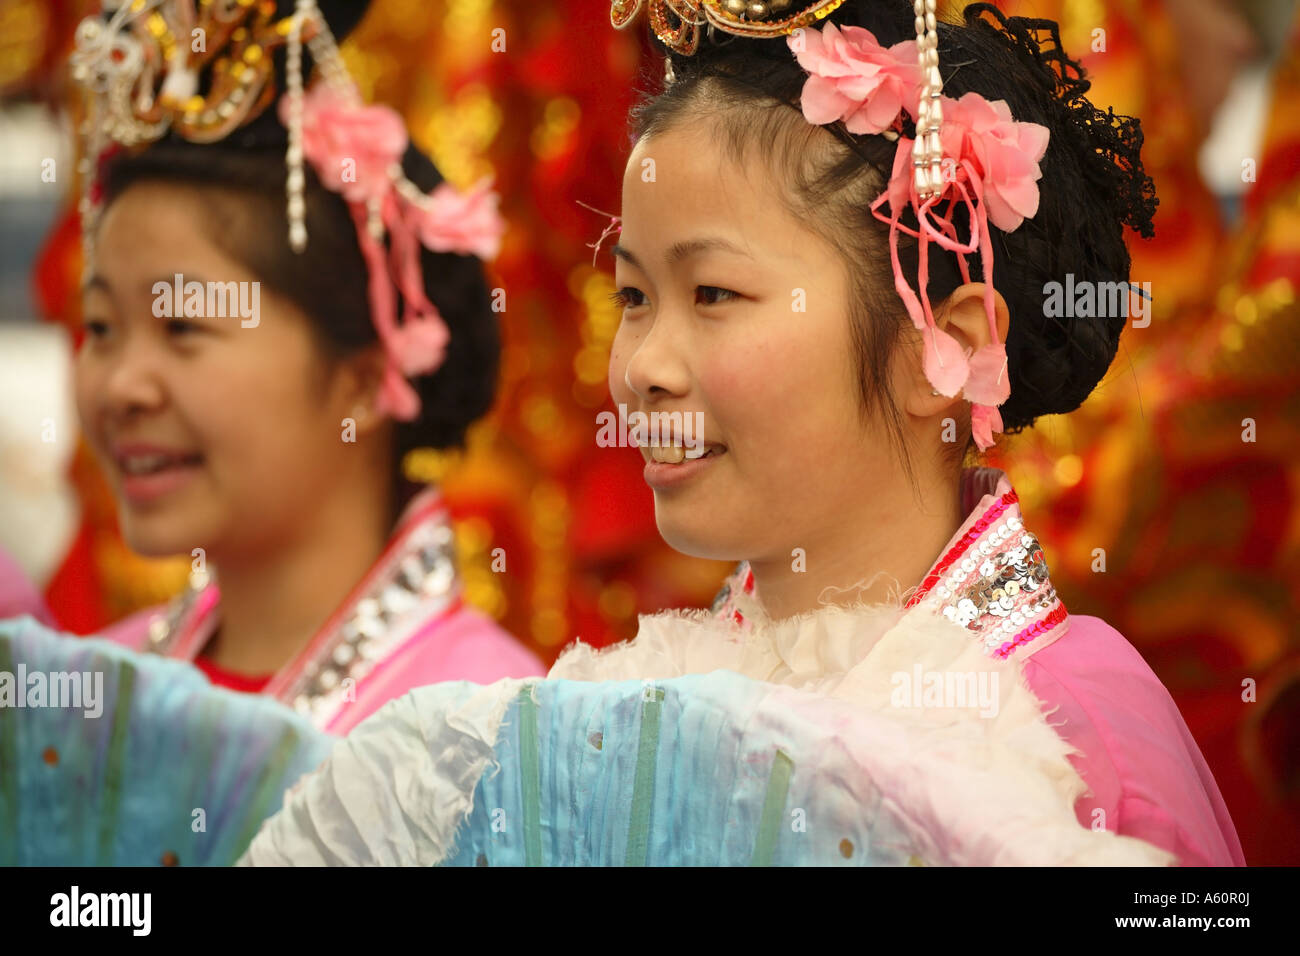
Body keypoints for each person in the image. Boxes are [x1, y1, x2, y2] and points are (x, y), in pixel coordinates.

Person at [239, 1, 1243, 865]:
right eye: (633, 294)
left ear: (941, 341)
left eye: (711, 291)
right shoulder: (626, 707)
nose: (640, 366)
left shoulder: (1085, 729)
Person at [65, 0, 545, 734]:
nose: (122, 385)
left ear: (363, 373)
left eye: (183, 325)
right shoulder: (86, 702)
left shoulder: (490, 736)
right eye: (101, 327)